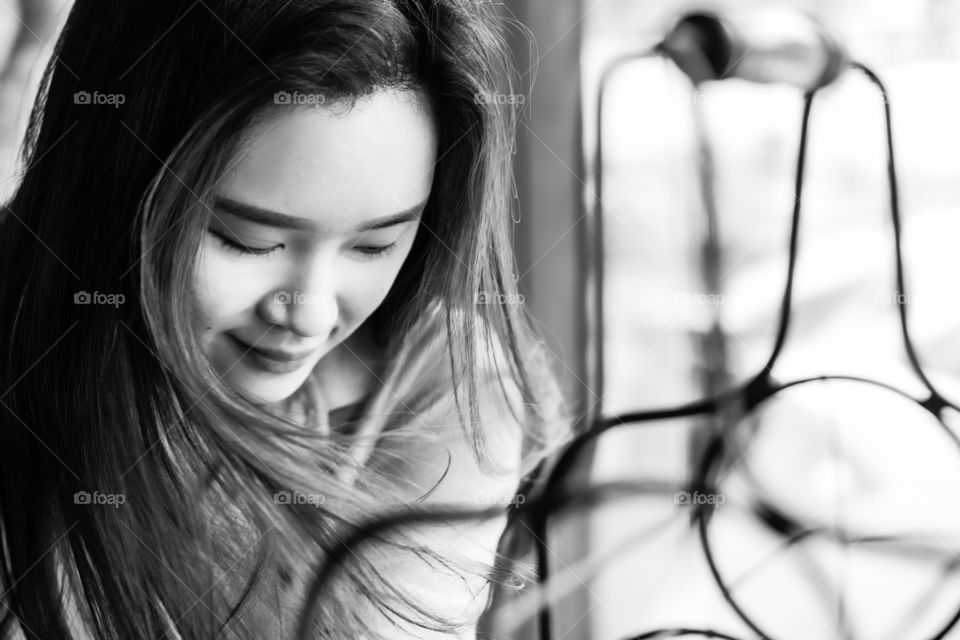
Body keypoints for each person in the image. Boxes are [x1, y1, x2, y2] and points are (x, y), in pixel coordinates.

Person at [0, 1, 572, 638]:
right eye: (247, 240)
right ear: (110, 183)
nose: (311, 314)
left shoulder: (449, 380)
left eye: (374, 245)